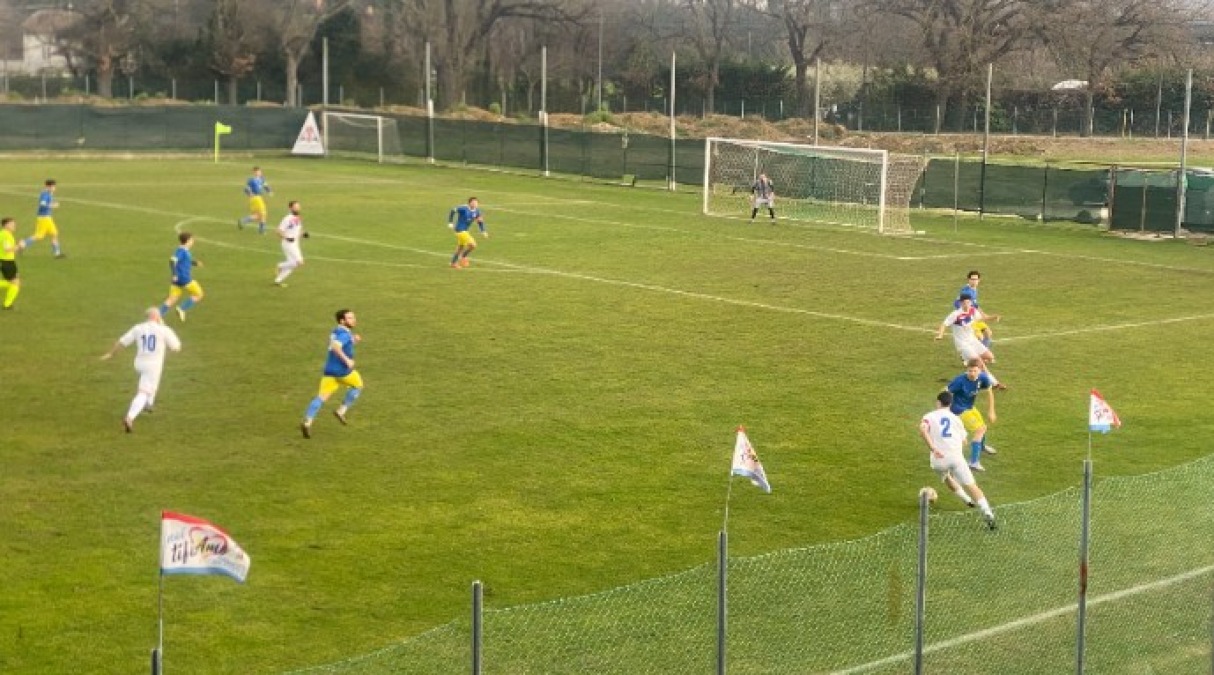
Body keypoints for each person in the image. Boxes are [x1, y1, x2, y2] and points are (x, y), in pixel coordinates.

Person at [919, 390, 996, 529]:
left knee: (947, 477)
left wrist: (933, 447)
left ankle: (966, 500)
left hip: (938, 459)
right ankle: (987, 512)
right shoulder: (956, 418)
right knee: (972, 486)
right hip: (955, 457)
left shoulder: (929, 416)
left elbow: (923, 430)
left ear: (938, 402)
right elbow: (965, 441)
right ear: (950, 404)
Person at [100, 307, 182, 433]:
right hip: (153, 365)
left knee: (151, 383)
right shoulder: (164, 329)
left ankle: (149, 404)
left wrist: (110, 354)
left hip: (139, 363)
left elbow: (122, 342)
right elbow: (176, 348)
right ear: (158, 317)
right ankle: (130, 417)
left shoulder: (138, 328)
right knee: (144, 391)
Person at [301, 309, 364, 439]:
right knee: (358, 385)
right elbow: (336, 347)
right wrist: (347, 360)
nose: (354, 320)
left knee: (321, 397)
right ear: (342, 321)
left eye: (353, 317)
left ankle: (308, 421)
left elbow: (340, 342)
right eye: (350, 318)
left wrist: (353, 340)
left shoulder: (337, 331)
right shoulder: (345, 335)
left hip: (329, 371)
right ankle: (341, 411)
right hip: (342, 371)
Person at [945, 359, 998, 471]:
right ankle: (974, 462)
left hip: (969, 406)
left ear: (980, 370)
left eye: (974, 371)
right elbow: (946, 392)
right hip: (958, 409)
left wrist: (991, 410)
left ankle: (981, 447)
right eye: (970, 371)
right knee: (980, 429)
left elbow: (990, 392)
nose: (972, 373)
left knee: (982, 425)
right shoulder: (959, 381)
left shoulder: (983, 378)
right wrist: (945, 410)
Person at [935, 292, 1000, 375]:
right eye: (964, 303)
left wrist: (994, 317)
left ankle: (969, 360)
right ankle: (992, 381)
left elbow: (982, 318)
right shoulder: (956, 314)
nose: (967, 305)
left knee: (990, 357)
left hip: (972, 340)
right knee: (979, 362)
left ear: (971, 302)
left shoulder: (973, 311)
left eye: (968, 302)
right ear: (961, 303)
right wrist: (940, 335)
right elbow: (944, 324)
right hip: (962, 343)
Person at [159, 232, 203, 322]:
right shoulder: (181, 251)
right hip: (184, 278)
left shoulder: (184, 250)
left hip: (177, 280)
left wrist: (195, 263)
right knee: (199, 294)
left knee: (172, 299)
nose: (193, 242)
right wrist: (174, 274)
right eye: (192, 240)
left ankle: (158, 316)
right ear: (187, 241)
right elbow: (172, 261)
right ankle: (182, 308)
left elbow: (184, 261)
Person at [957, 271, 1001, 348]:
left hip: (974, 316)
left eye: (976, 279)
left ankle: (982, 353)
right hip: (968, 319)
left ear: (979, 280)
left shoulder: (973, 289)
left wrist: (983, 314)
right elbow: (957, 304)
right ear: (968, 279)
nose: (974, 281)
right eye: (972, 279)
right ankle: (970, 354)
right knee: (979, 337)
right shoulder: (966, 292)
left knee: (988, 333)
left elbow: (975, 305)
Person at [22, 179, 64, 258]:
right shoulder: (45, 194)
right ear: (47, 186)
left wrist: (52, 204)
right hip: (44, 218)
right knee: (39, 236)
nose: (54, 188)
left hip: (47, 218)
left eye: (54, 186)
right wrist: (53, 205)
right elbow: (42, 204)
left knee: (54, 233)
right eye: (52, 186)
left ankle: (57, 254)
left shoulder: (48, 194)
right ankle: (22, 244)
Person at [274, 200, 308, 286]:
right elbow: (278, 231)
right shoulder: (287, 218)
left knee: (292, 265)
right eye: (295, 207)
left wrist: (303, 234)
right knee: (300, 262)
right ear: (290, 208)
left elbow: (297, 231)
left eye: (298, 206)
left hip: (295, 244)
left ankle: (278, 280)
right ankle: (280, 265)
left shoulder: (298, 218)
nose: (297, 208)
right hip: (288, 244)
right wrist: (287, 238)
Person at [447, 197, 488, 268]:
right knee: (473, 245)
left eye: (476, 203)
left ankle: (453, 263)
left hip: (465, 231)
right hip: (460, 230)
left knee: (460, 248)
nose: (475, 204)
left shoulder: (477, 211)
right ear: (469, 203)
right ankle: (463, 256)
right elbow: (453, 210)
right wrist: (450, 222)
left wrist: (483, 231)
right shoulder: (463, 208)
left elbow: (480, 221)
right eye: (473, 202)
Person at [238, 166, 273, 234]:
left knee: (258, 215)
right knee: (263, 214)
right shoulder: (252, 180)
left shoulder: (262, 179)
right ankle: (261, 230)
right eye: (257, 171)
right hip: (257, 198)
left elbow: (266, 186)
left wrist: (269, 191)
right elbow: (246, 189)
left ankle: (244, 221)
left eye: (259, 171)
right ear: (254, 172)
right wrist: (250, 194)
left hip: (256, 199)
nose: (258, 173)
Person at [0, 217, 23, 309]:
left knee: (15, 282)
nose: (14, 225)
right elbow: (7, 249)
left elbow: (12, 250)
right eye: (12, 224)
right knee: (15, 283)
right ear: (6, 225)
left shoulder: (5, 234)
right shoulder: (5, 235)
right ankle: (7, 304)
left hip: (7, 261)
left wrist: (19, 247)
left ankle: (7, 304)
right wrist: (20, 245)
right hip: (6, 262)